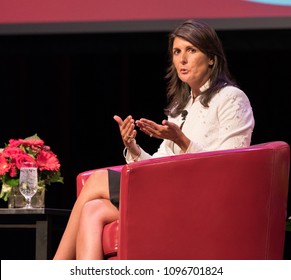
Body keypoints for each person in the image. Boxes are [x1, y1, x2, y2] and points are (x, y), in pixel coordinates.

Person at [53, 19, 255, 260]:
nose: (182, 59)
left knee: (97, 179)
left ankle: (55, 267)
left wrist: (183, 141)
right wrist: (133, 147)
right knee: (92, 210)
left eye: (191, 50)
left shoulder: (231, 98)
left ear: (211, 58)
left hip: (200, 197)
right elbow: (159, 162)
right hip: (170, 190)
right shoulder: (182, 107)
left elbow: (232, 166)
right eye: (177, 52)